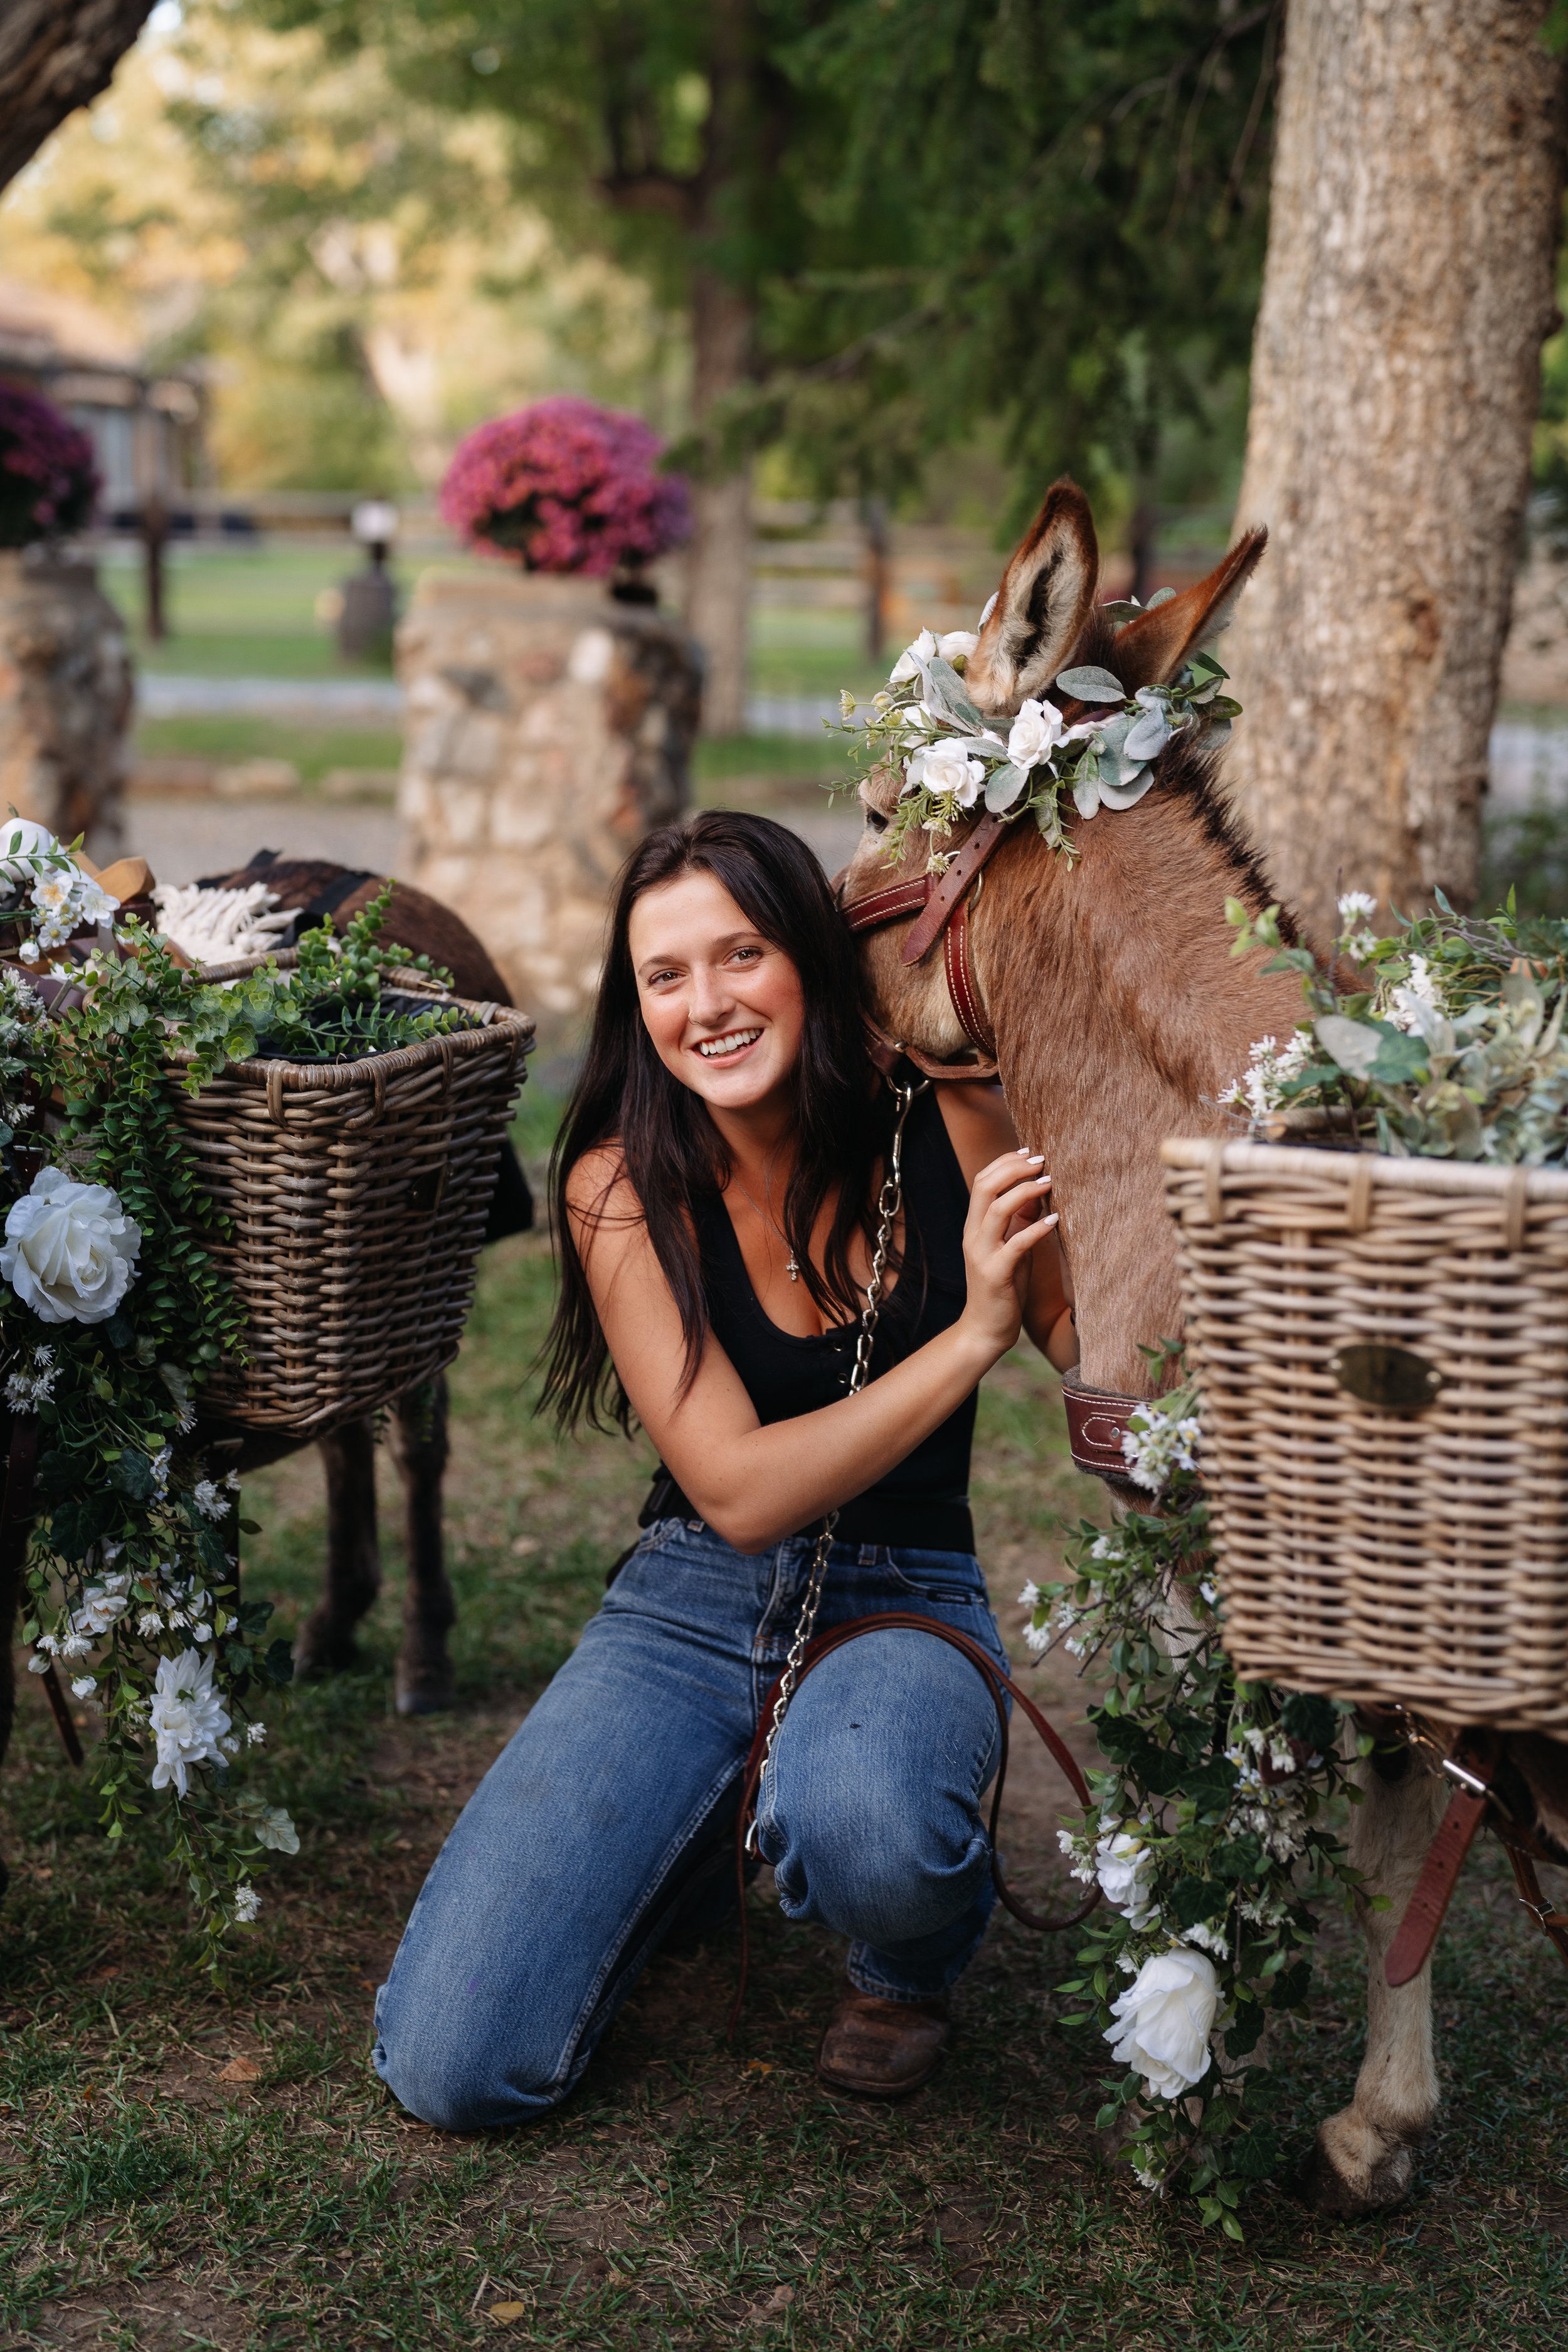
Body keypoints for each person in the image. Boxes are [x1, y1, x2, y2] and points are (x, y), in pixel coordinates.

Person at [373, 810, 1074, 2127]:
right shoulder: (615, 1182)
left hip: (902, 1590)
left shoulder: (949, 1114)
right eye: (665, 975)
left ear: (807, 955)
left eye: (740, 954)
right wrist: (969, 1335)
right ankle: (693, 1836)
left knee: (870, 1822)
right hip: (689, 1599)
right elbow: (738, 1492)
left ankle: (904, 1959)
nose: (707, 1004)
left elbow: (1087, 1346)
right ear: (637, 1006)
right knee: (455, 2067)